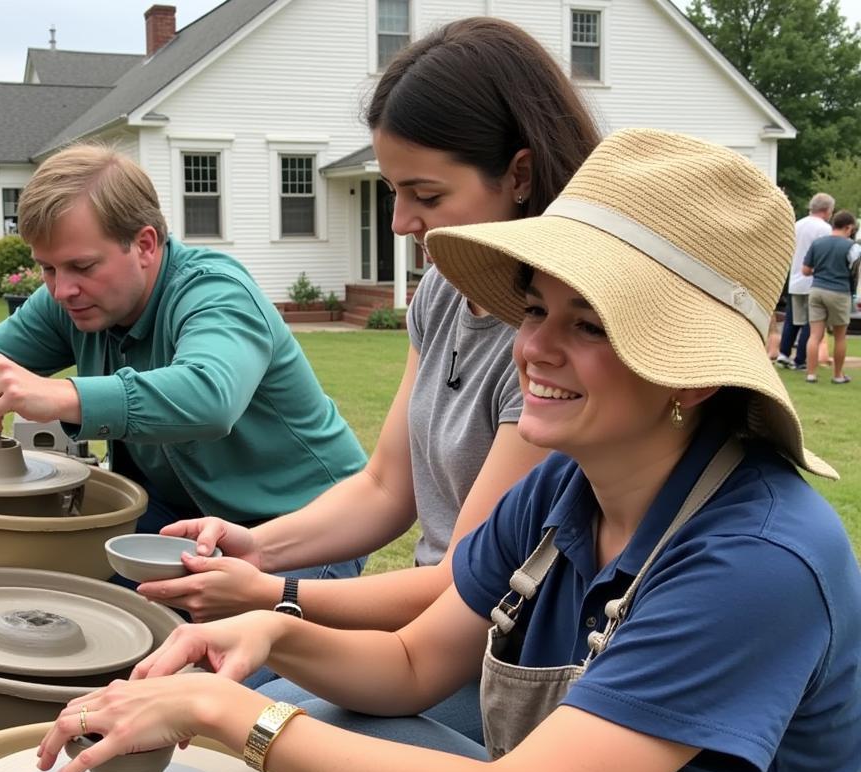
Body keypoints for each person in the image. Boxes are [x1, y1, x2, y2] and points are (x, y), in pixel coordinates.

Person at [39, 129, 860, 772]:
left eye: (589, 324)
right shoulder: (565, 484)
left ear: (690, 376)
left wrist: (224, 709)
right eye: (537, 310)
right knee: (332, 719)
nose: (536, 349)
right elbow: (411, 667)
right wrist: (276, 627)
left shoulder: (757, 561)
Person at [137, 18, 599, 721]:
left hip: (504, 645)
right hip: (426, 627)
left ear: (521, 174)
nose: (400, 221)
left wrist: (274, 595)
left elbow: (465, 578)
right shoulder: (446, 288)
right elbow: (388, 486)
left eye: (428, 195)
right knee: (215, 692)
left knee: (247, 732)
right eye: (392, 191)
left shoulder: (552, 344)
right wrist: (257, 547)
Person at [0, 145, 367, 586]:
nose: (62, 290)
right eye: (48, 268)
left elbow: (209, 397)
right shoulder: (68, 301)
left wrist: (61, 395)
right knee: (56, 598)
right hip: (172, 517)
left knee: (232, 671)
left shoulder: (215, 292)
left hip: (304, 524)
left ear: (145, 244)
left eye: (82, 266)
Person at [775, 192, 834, 371]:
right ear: (827, 210)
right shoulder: (824, 229)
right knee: (812, 323)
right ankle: (800, 359)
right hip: (813, 281)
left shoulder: (797, 225)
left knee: (792, 320)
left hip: (795, 279)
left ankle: (783, 354)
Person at [802, 208, 859, 384]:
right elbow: (854, 272)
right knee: (840, 336)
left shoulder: (818, 243)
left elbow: (806, 270)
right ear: (848, 228)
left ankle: (811, 374)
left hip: (817, 289)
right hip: (839, 291)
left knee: (814, 335)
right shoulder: (852, 246)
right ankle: (837, 375)